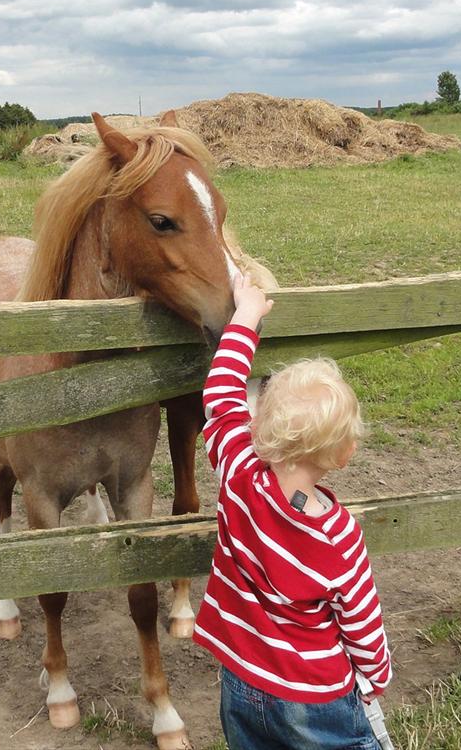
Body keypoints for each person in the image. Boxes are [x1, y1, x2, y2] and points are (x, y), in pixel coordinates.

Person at [192, 273, 392, 750]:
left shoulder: (238, 472)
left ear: (258, 422)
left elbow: (220, 395)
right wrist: (375, 676)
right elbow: (362, 624)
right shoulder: (338, 536)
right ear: (344, 454)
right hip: (315, 692)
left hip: (240, 677)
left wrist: (246, 314)